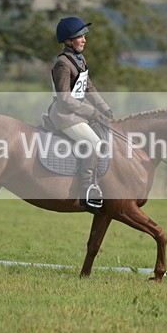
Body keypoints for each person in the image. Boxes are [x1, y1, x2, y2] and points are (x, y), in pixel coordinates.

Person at [47, 16, 114, 211]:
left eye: (84, 36)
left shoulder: (79, 59)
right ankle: (88, 189)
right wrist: (92, 112)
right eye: (79, 37)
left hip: (77, 114)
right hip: (64, 115)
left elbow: (89, 88)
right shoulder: (62, 64)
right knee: (93, 143)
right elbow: (64, 99)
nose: (84, 39)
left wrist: (105, 109)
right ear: (68, 41)